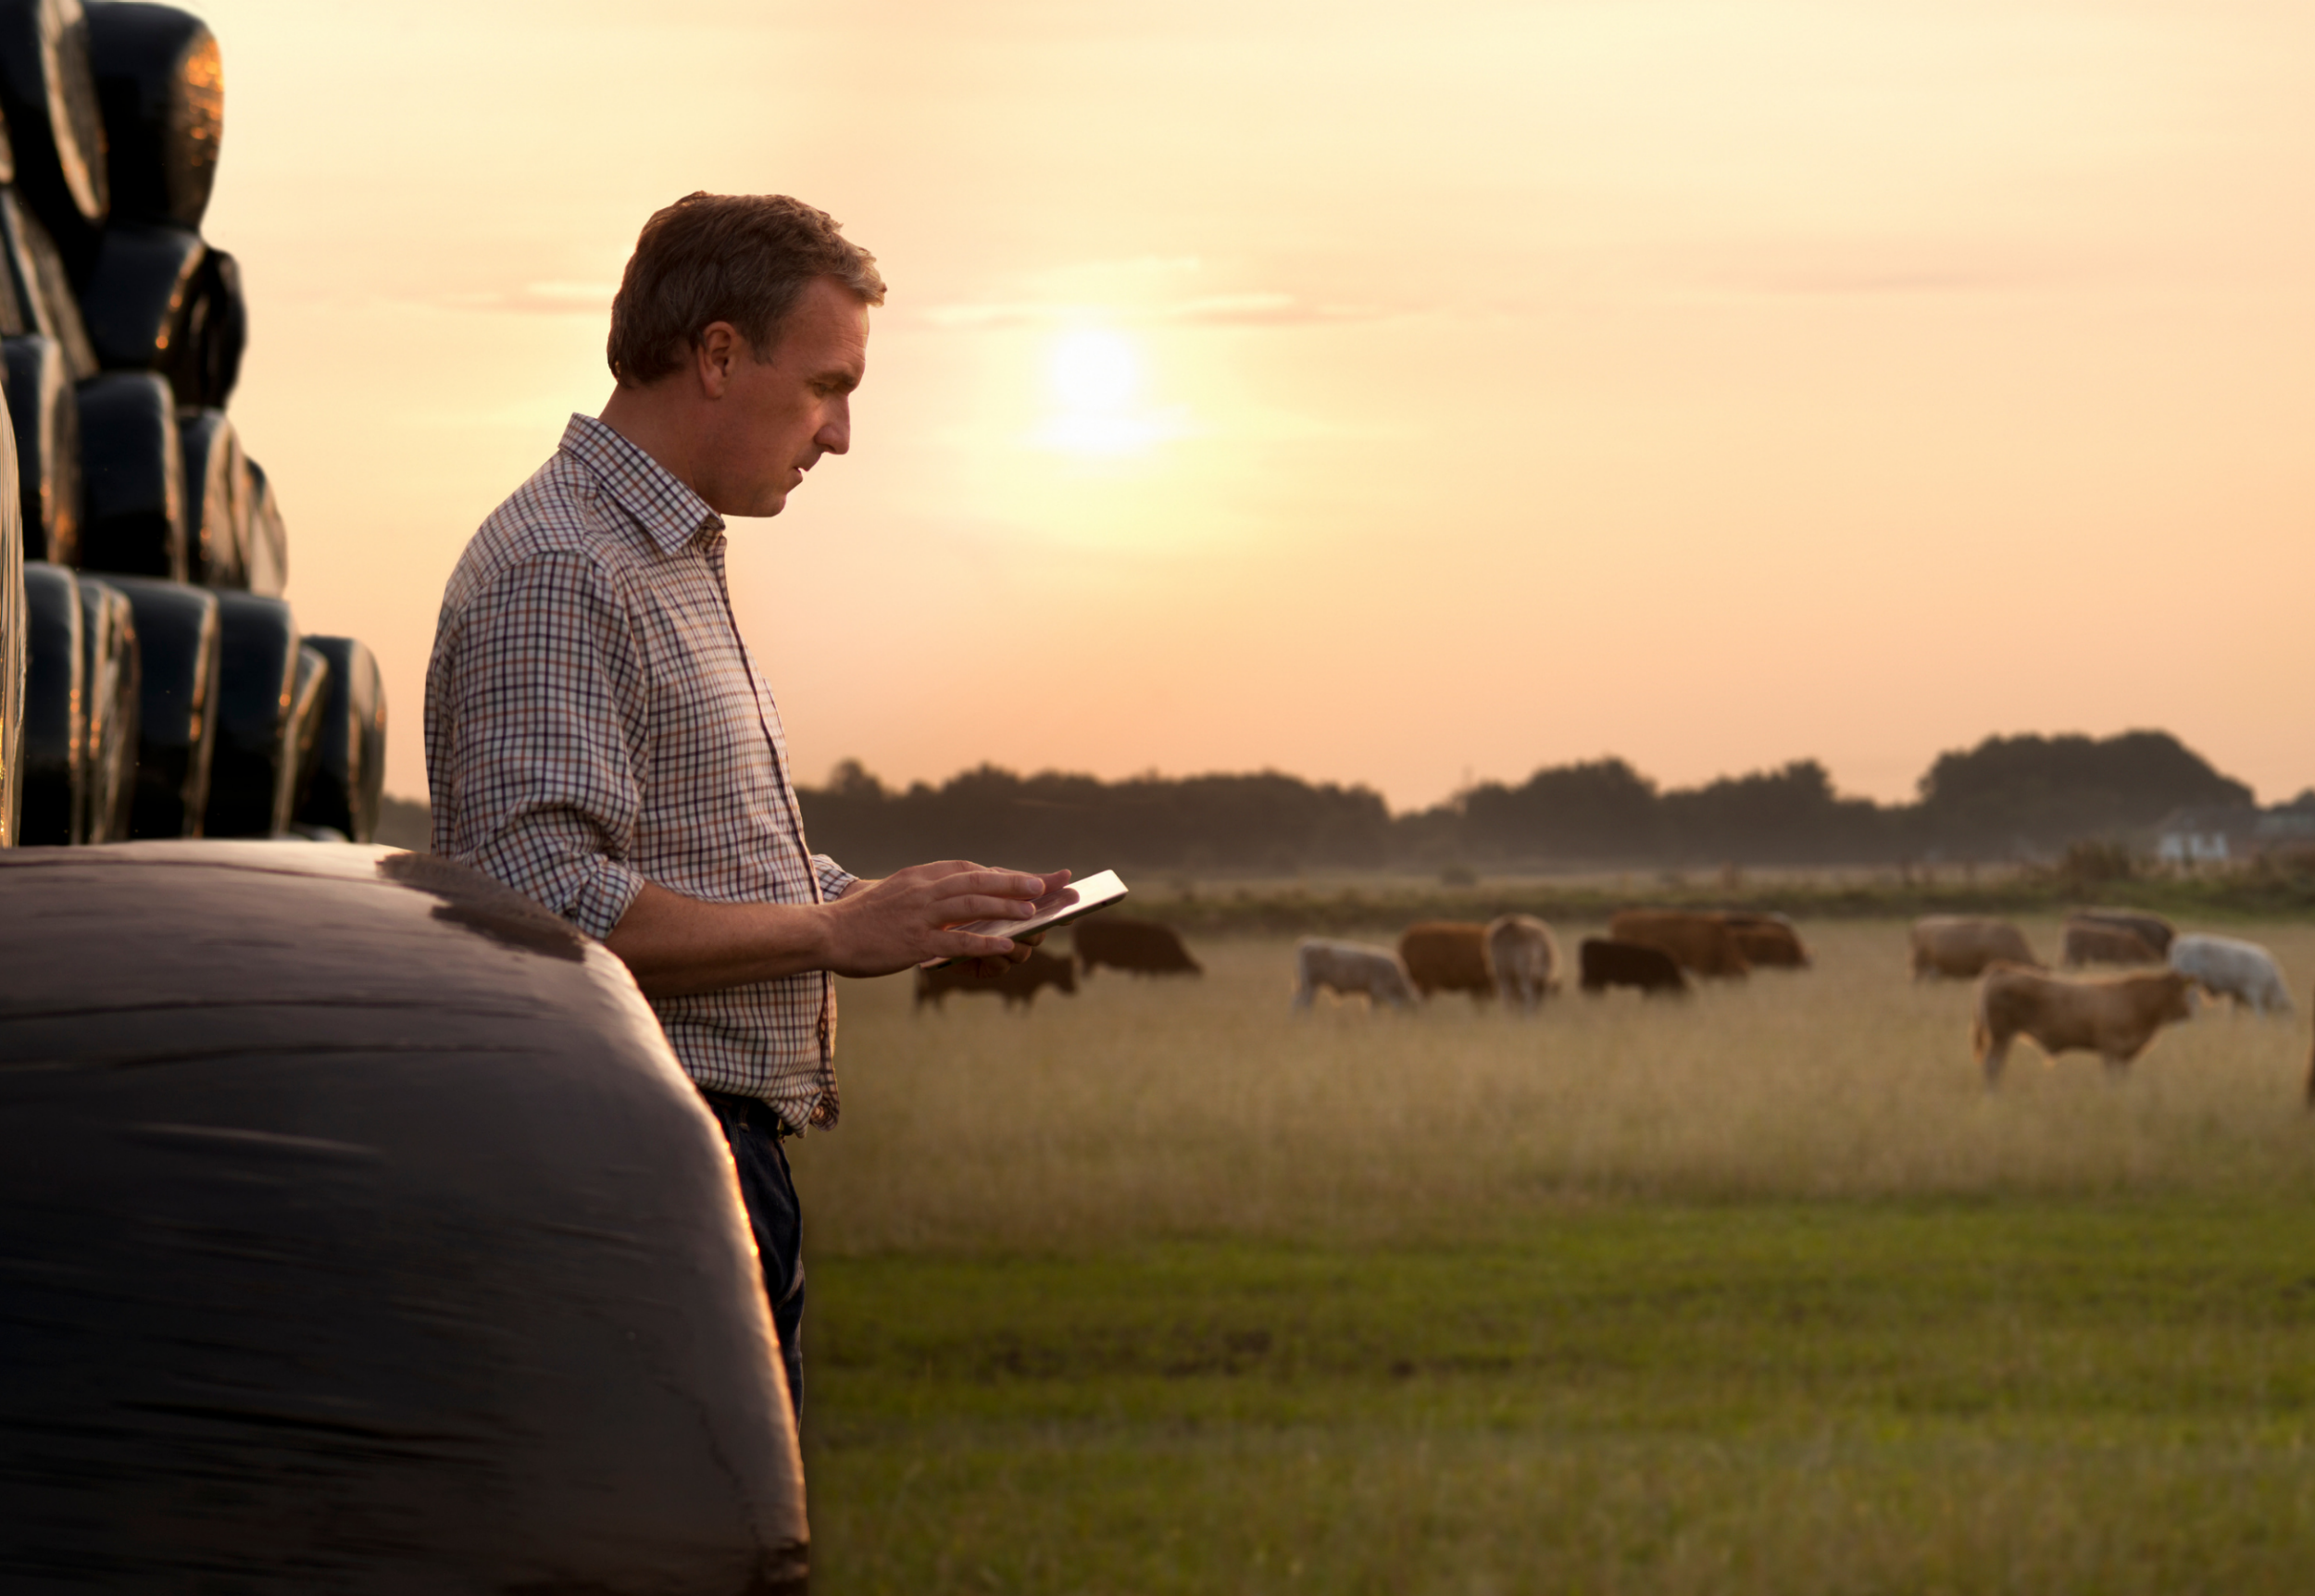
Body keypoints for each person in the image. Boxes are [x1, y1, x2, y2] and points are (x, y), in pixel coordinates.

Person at [424, 193, 1061, 1417]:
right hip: (635, 1163)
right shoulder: (566, 571)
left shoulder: (653, 559)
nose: (841, 435)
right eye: (827, 386)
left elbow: (674, 867)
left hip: (685, 1160)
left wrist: (889, 910)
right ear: (718, 354)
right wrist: (827, 936)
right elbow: (540, 911)